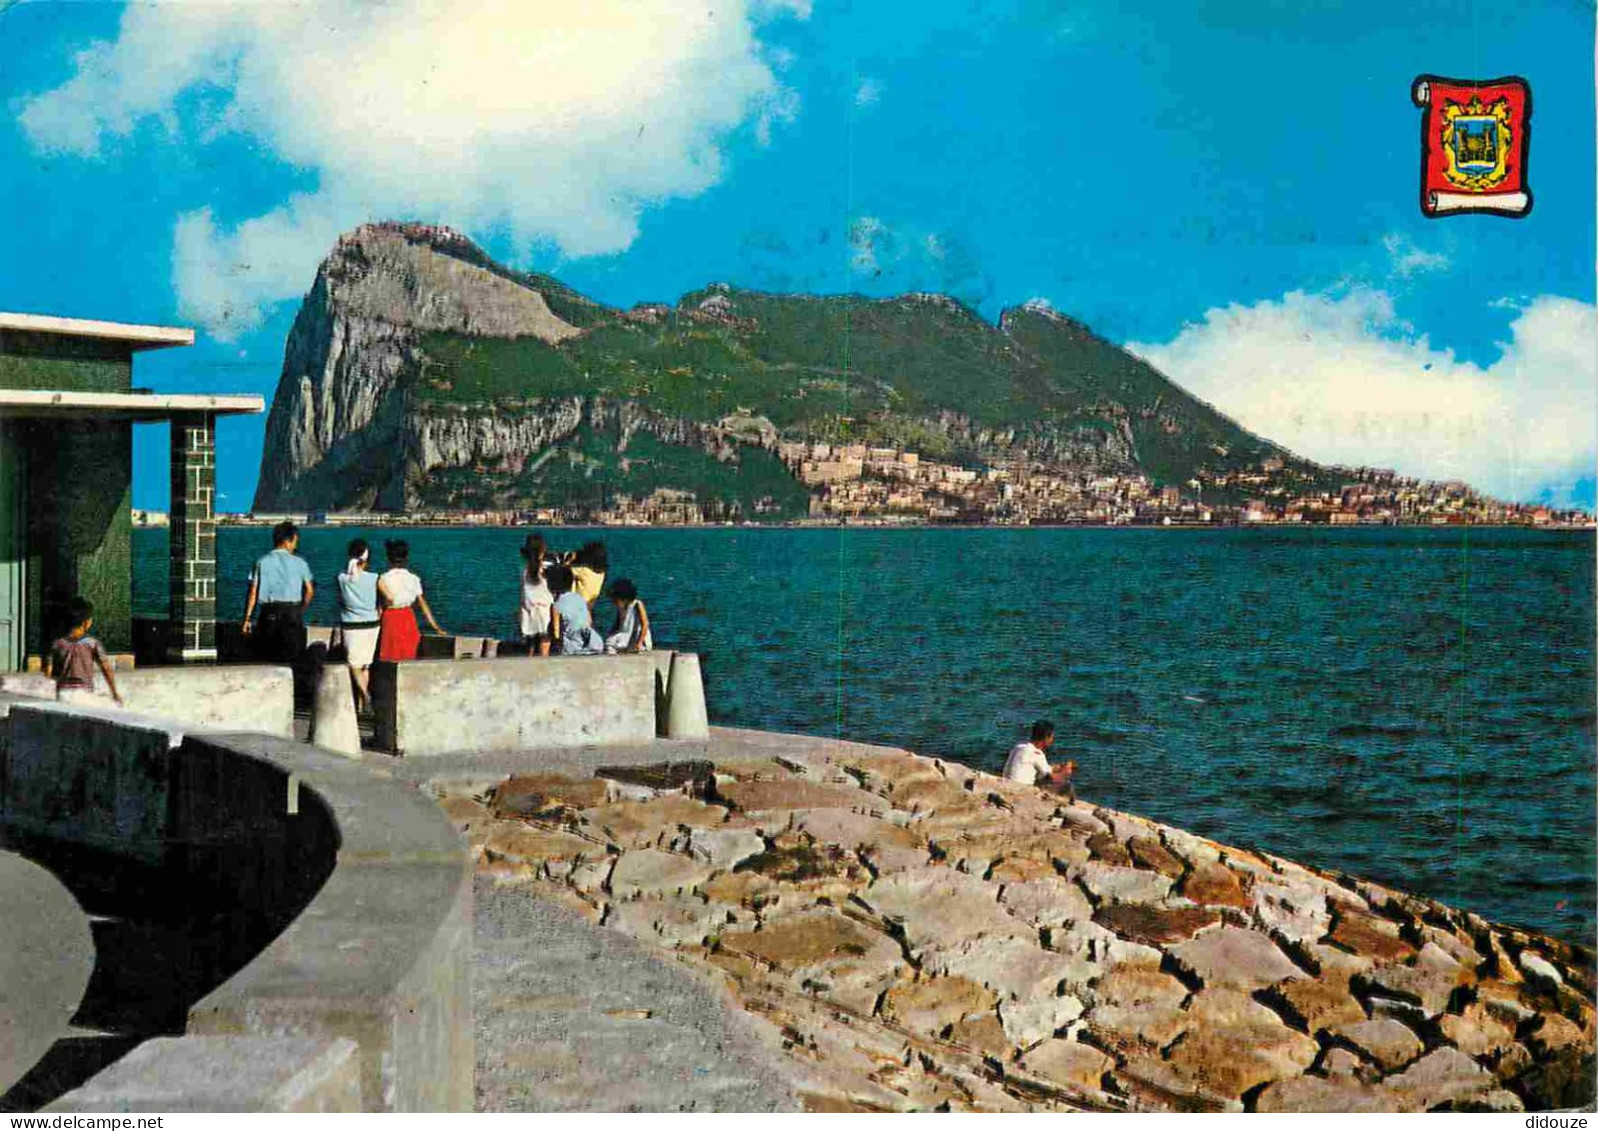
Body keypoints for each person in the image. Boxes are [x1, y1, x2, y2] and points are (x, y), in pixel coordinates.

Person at [241, 521, 315, 665]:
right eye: (295, 542)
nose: (295, 546)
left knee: (267, 658)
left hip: (268, 613)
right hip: (292, 613)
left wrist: (247, 619)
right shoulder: (301, 563)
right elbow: (309, 591)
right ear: (287, 541)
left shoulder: (261, 562)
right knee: (292, 659)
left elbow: (253, 593)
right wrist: (301, 610)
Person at [44, 597, 123, 707]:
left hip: (63, 693)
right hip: (85, 693)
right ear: (86, 622)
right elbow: (106, 669)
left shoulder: (57, 644)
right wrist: (114, 693)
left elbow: (48, 672)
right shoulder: (92, 643)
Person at [377, 540, 445, 662]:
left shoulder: (383, 578)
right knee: (408, 651)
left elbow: (380, 606)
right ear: (406, 558)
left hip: (390, 617)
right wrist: (435, 627)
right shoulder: (413, 578)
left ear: (388, 558)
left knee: (390, 653)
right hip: (408, 616)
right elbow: (423, 604)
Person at [337, 538, 380, 710]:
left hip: (351, 625)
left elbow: (341, 600)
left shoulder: (341, 578)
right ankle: (362, 703)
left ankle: (366, 696)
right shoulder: (375, 578)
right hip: (372, 624)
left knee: (353, 664)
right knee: (365, 665)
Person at [1002, 719, 1076, 800]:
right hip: (1021, 790)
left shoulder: (1019, 747)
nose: (1052, 740)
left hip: (1007, 786)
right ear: (1045, 738)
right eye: (1051, 737)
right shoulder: (1037, 753)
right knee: (1067, 785)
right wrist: (1065, 772)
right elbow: (1051, 778)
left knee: (1039, 777)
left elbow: (1036, 766)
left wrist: (1057, 767)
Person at [548, 565, 604, 655]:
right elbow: (589, 622)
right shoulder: (581, 600)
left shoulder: (556, 605)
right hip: (591, 644)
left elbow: (556, 632)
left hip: (571, 649)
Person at [518, 534, 556, 656]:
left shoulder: (525, 570)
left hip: (527, 612)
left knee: (530, 648)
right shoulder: (548, 568)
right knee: (544, 650)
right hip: (544, 612)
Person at [604, 578, 653, 654]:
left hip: (636, 636)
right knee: (609, 642)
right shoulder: (621, 608)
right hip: (625, 634)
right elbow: (617, 625)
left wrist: (639, 642)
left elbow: (645, 624)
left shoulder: (637, 604)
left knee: (612, 644)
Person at [569, 540, 608, 610]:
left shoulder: (584, 571)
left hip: (576, 605)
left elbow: (565, 570)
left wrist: (571, 560)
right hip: (589, 605)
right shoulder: (602, 573)